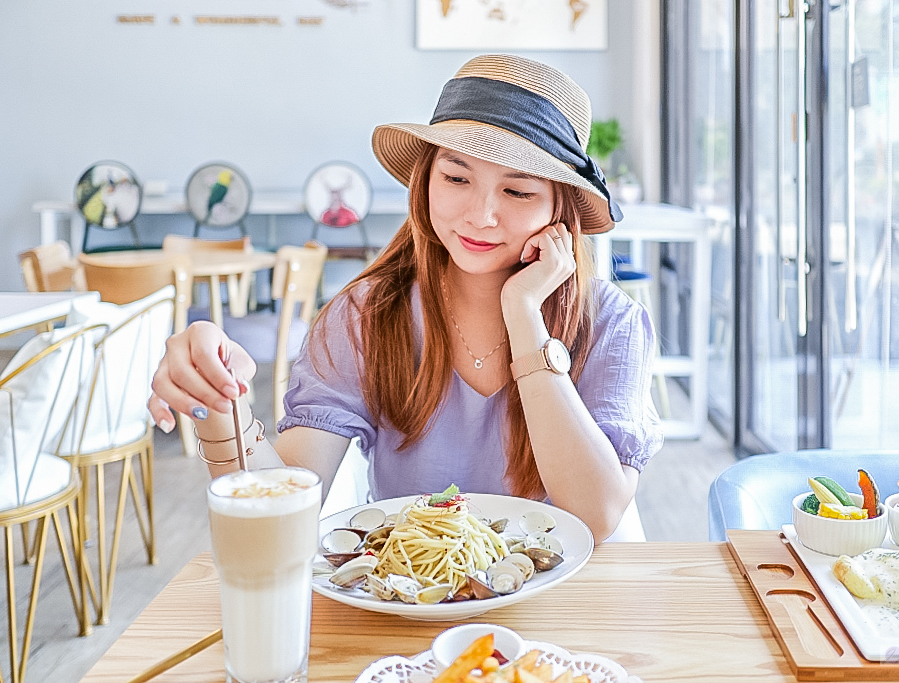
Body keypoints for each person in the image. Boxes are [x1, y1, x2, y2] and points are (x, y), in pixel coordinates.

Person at [149, 54, 663, 542]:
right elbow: (278, 513)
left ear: (560, 206)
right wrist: (221, 399)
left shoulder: (612, 322)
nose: (480, 215)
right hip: (410, 611)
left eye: (518, 191)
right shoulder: (367, 316)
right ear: (426, 181)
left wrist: (524, 314)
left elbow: (594, 516)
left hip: (566, 613)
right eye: (456, 177)